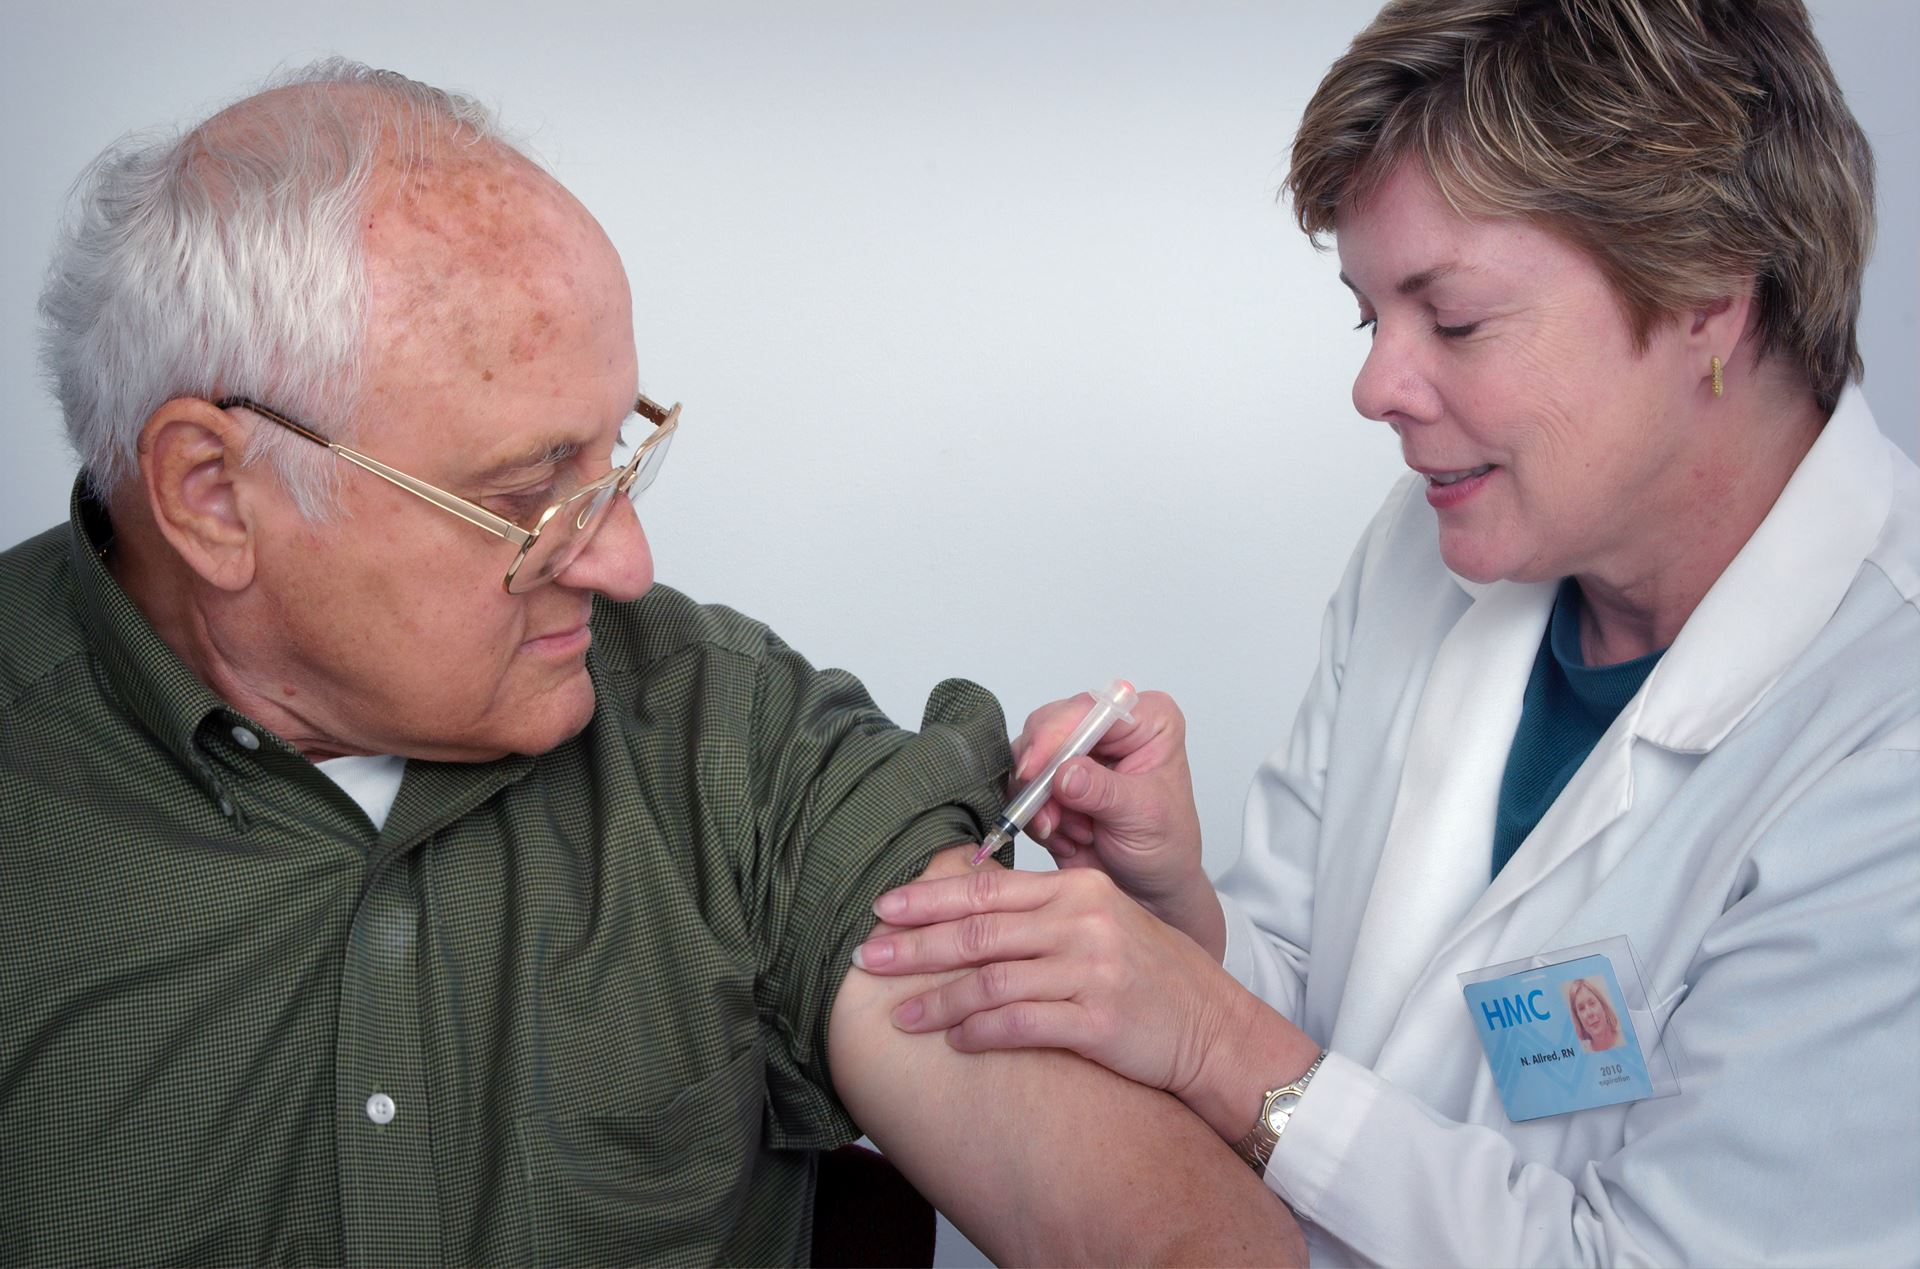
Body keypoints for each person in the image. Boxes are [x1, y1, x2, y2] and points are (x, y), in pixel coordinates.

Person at [0, 62, 1305, 1267]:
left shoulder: (719, 737)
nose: (625, 561)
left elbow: (1167, 1226)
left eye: (616, 452)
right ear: (214, 497)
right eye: (527, 493)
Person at [851, 0, 1920, 1264]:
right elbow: (1329, 1024)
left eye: (1452, 321)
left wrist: (1207, 1033)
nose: (1374, 388)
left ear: (1705, 297)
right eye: (1371, 318)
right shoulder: (1439, 542)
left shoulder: (1883, 752)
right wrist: (1177, 912)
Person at [1567, 980, 1621, 1054]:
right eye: (1582, 1008)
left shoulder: (1625, 1039)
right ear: (1578, 1018)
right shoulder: (1580, 1053)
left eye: (1592, 1003)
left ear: (1603, 1006)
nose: (1589, 1013)